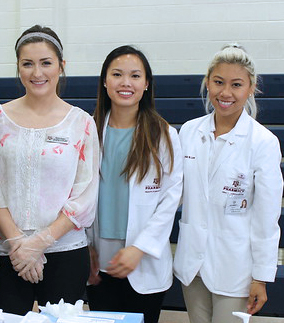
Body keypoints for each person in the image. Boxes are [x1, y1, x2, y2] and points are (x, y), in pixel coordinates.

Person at [0, 25, 99, 315]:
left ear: (61, 66)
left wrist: (40, 244)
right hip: (8, 252)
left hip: (65, 251)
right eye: (27, 64)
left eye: (46, 63)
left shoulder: (81, 123)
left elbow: (85, 195)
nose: (37, 73)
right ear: (18, 67)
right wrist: (19, 244)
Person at [173, 44, 284, 323]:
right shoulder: (189, 131)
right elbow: (174, 193)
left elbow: (267, 217)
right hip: (192, 264)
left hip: (235, 267)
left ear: (251, 88)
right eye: (218, 82)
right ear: (207, 82)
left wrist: (261, 276)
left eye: (236, 85)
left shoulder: (263, 142)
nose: (225, 93)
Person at [86, 45, 183, 323]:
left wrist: (139, 248)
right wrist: (87, 249)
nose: (126, 83)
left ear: (146, 83)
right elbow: (79, 195)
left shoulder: (163, 135)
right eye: (117, 74)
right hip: (99, 260)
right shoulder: (89, 130)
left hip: (144, 261)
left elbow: (170, 199)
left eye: (135, 76)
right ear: (105, 81)